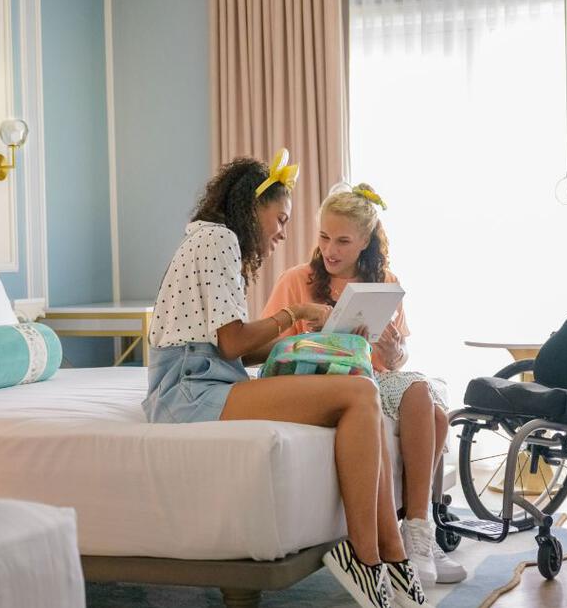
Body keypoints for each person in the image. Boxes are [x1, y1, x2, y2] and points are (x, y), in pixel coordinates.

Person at [142, 151, 430, 608]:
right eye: (280, 219)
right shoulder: (219, 240)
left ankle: (388, 555)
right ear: (253, 208)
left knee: (366, 394)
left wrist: (306, 333)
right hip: (187, 390)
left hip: (211, 378)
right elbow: (234, 345)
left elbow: (235, 347)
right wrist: (292, 313)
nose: (281, 233)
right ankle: (370, 557)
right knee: (359, 392)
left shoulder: (214, 239)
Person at [262, 184, 466, 586]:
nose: (330, 250)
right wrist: (321, 334)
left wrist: (392, 354)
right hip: (331, 381)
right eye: (323, 237)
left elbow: (397, 358)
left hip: (377, 378)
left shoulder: (384, 281)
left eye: (342, 241)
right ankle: (415, 537)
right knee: (428, 408)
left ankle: (418, 532)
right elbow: (271, 350)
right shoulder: (296, 280)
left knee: (432, 406)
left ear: (364, 242)